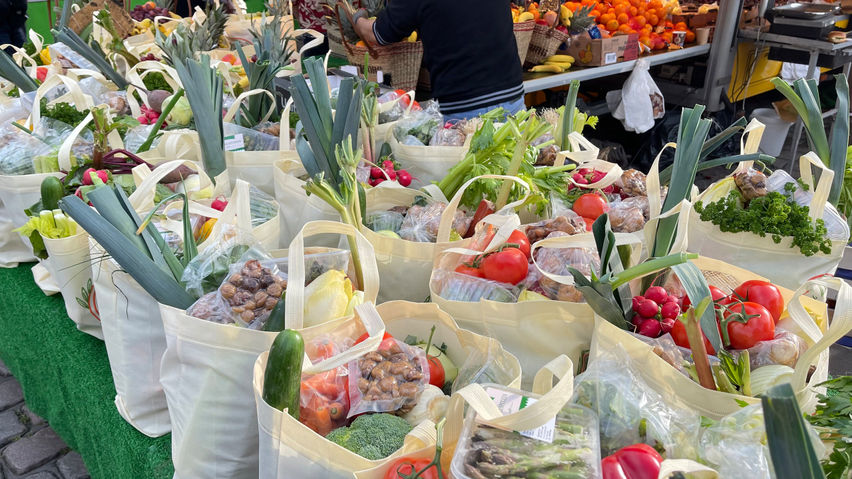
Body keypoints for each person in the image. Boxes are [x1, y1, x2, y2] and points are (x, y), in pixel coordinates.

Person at [353, 0, 525, 121]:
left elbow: (379, 34)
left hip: (465, 107)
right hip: (512, 96)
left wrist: (357, 21)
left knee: (476, 172)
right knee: (518, 170)